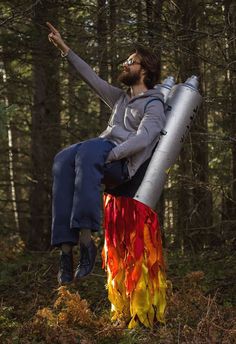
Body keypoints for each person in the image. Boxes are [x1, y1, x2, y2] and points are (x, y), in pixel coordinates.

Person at [46, 22, 166, 285]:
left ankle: (87, 240)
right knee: (63, 158)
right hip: (99, 154)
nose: (125, 64)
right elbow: (91, 78)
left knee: (91, 149)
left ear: (144, 69)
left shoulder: (154, 105)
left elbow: (144, 139)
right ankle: (66, 251)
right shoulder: (121, 98)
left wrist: (109, 156)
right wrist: (65, 48)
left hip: (119, 165)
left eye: (131, 61)